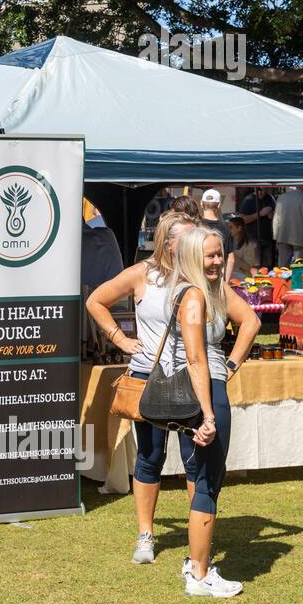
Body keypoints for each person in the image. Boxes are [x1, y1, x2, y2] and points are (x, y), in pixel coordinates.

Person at [86, 210, 198, 569]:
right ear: (168, 242)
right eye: (188, 237)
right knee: (150, 458)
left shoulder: (200, 275)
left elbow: (243, 316)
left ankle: (199, 539)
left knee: (196, 463)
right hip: (147, 378)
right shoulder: (142, 274)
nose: (198, 244)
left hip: (190, 378)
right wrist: (120, 339)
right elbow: (96, 301)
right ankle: (146, 534)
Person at [169, 226, 259, 597]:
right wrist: (207, 414)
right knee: (206, 481)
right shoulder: (193, 296)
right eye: (210, 255)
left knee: (204, 477)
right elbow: (194, 358)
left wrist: (233, 364)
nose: (218, 260)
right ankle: (200, 576)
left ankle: (197, 564)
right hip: (201, 394)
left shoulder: (209, 290)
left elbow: (251, 321)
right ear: (192, 256)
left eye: (220, 253)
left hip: (208, 388)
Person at [272, 186, 303, 267]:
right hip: (301, 238)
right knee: (300, 267)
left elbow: (276, 220)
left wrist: (275, 237)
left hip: (283, 236)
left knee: (282, 267)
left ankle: (282, 279)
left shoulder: (281, 198)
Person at [197, 190, 234, 281]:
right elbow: (231, 259)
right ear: (219, 205)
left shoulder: (196, 226)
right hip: (218, 277)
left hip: (199, 278)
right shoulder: (225, 228)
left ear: (201, 204)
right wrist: (226, 281)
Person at [238, 188, 275, 268]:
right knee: (255, 266)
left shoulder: (270, 198)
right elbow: (242, 220)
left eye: (263, 190)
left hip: (268, 238)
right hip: (253, 238)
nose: (260, 192)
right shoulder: (248, 200)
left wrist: (272, 214)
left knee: (268, 266)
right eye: (258, 190)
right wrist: (260, 214)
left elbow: (277, 214)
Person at [226, 217, 258, 281]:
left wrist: (233, 257)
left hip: (243, 278)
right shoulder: (227, 243)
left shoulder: (248, 246)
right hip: (230, 275)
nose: (228, 230)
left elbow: (249, 268)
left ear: (239, 228)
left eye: (231, 227)